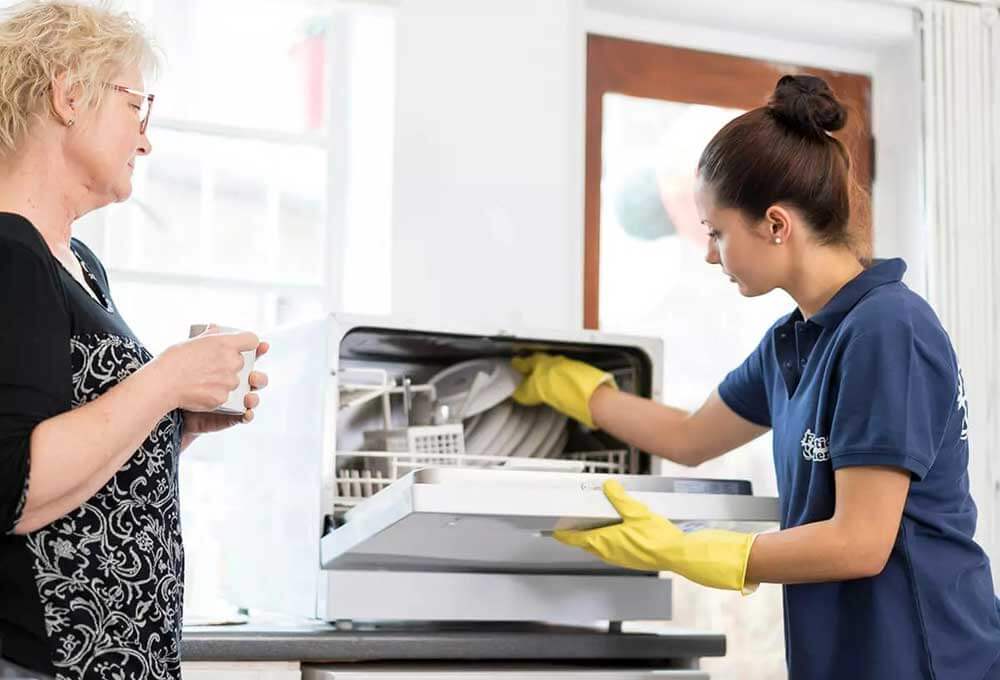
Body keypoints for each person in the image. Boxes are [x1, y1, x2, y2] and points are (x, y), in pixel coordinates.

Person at [514, 75, 1000, 680]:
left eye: (716, 232)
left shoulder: (887, 329)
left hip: (926, 654)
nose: (710, 254)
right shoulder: (792, 341)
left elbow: (860, 541)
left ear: (775, 224)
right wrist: (568, 386)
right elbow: (690, 437)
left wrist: (686, 551)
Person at [0, 3, 269, 678]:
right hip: (51, 659)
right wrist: (165, 381)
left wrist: (180, 422)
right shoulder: (10, 254)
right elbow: (15, 488)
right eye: (136, 107)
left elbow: (86, 459)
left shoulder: (79, 263)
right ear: (69, 96)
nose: (146, 141)